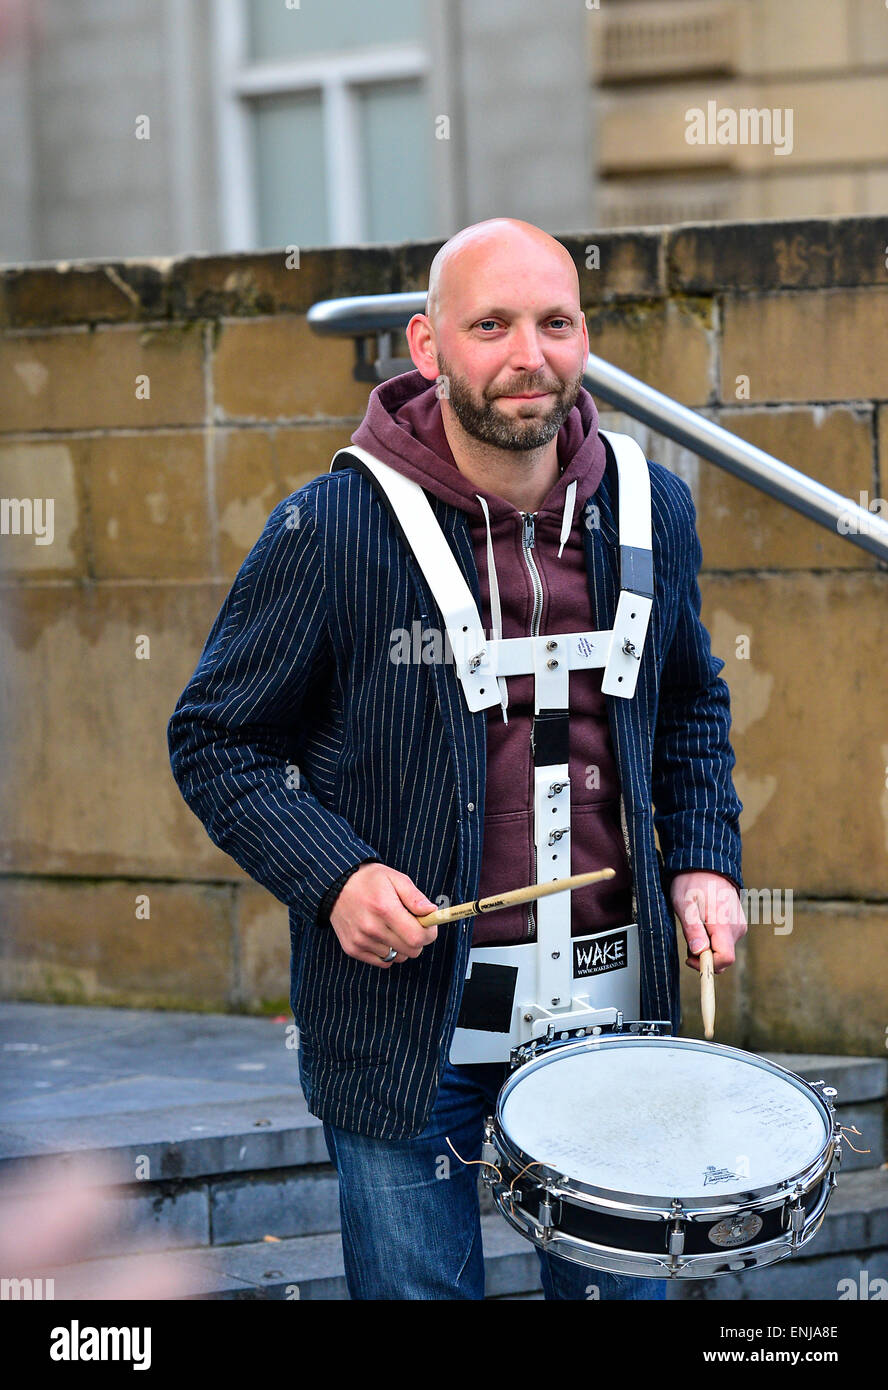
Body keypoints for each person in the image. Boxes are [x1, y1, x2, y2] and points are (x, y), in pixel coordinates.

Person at [168, 218, 747, 1300]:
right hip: (406, 1026)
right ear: (428, 346)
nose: (529, 356)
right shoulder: (332, 528)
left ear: (586, 335)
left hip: (612, 1011)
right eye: (491, 325)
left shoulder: (652, 506)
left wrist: (705, 858)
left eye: (556, 322)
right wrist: (334, 874)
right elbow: (216, 738)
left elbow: (687, 704)